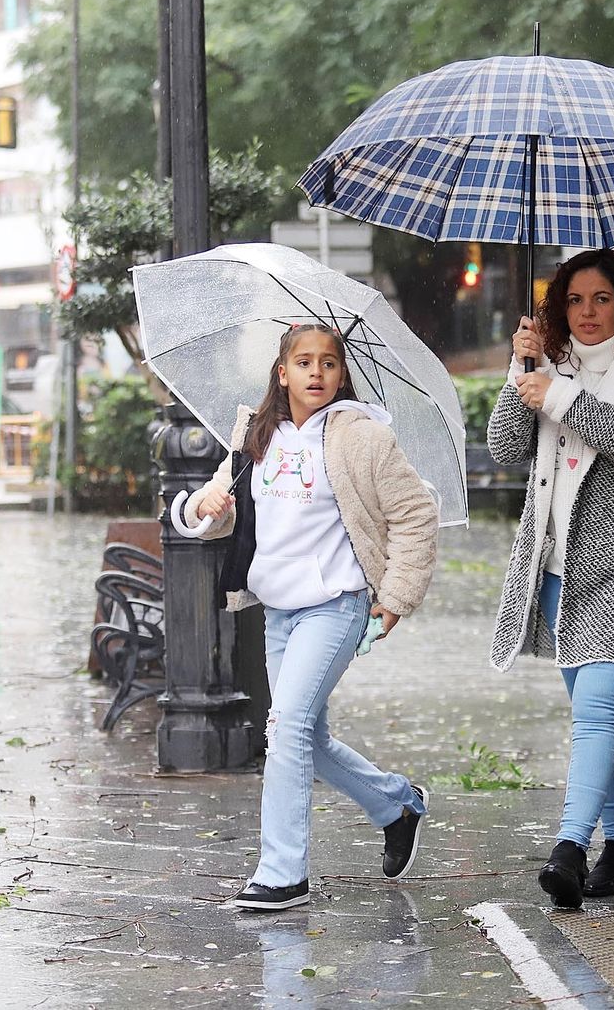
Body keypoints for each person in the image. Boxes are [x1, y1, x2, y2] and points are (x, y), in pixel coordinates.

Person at [181, 323, 439, 911]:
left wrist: (395, 597)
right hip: (278, 610)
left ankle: (282, 872)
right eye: (304, 362)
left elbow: (415, 514)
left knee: (287, 726)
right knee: (307, 734)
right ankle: (396, 805)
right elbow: (214, 513)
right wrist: (208, 505)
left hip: (337, 604)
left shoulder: (362, 438)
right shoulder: (255, 436)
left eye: (328, 363)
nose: (316, 372)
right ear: (282, 372)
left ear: (340, 373)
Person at [487, 248, 614, 909]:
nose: (588, 311)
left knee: (597, 707)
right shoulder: (551, 364)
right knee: (595, 712)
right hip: (558, 570)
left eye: (601, 298)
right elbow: (504, 448)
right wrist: (523, 369)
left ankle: (570, 848)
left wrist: (562, 395)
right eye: (575, 300)